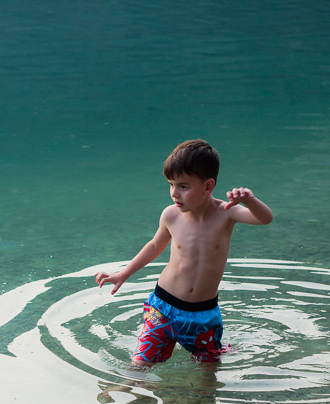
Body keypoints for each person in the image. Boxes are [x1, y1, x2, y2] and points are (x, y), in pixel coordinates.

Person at [95, 139, 272, 366]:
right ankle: (132, 391)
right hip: (163, 306)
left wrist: (249, 200)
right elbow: (154, 246)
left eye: (183, 187)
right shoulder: (171, 215)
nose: (174, 193)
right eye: (171, 184)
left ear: (208, 186)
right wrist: (122, 274)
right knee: (140, 364)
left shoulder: (226, 214)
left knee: (209, 367)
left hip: (202, 314)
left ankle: (201, 400)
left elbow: (265, 219)